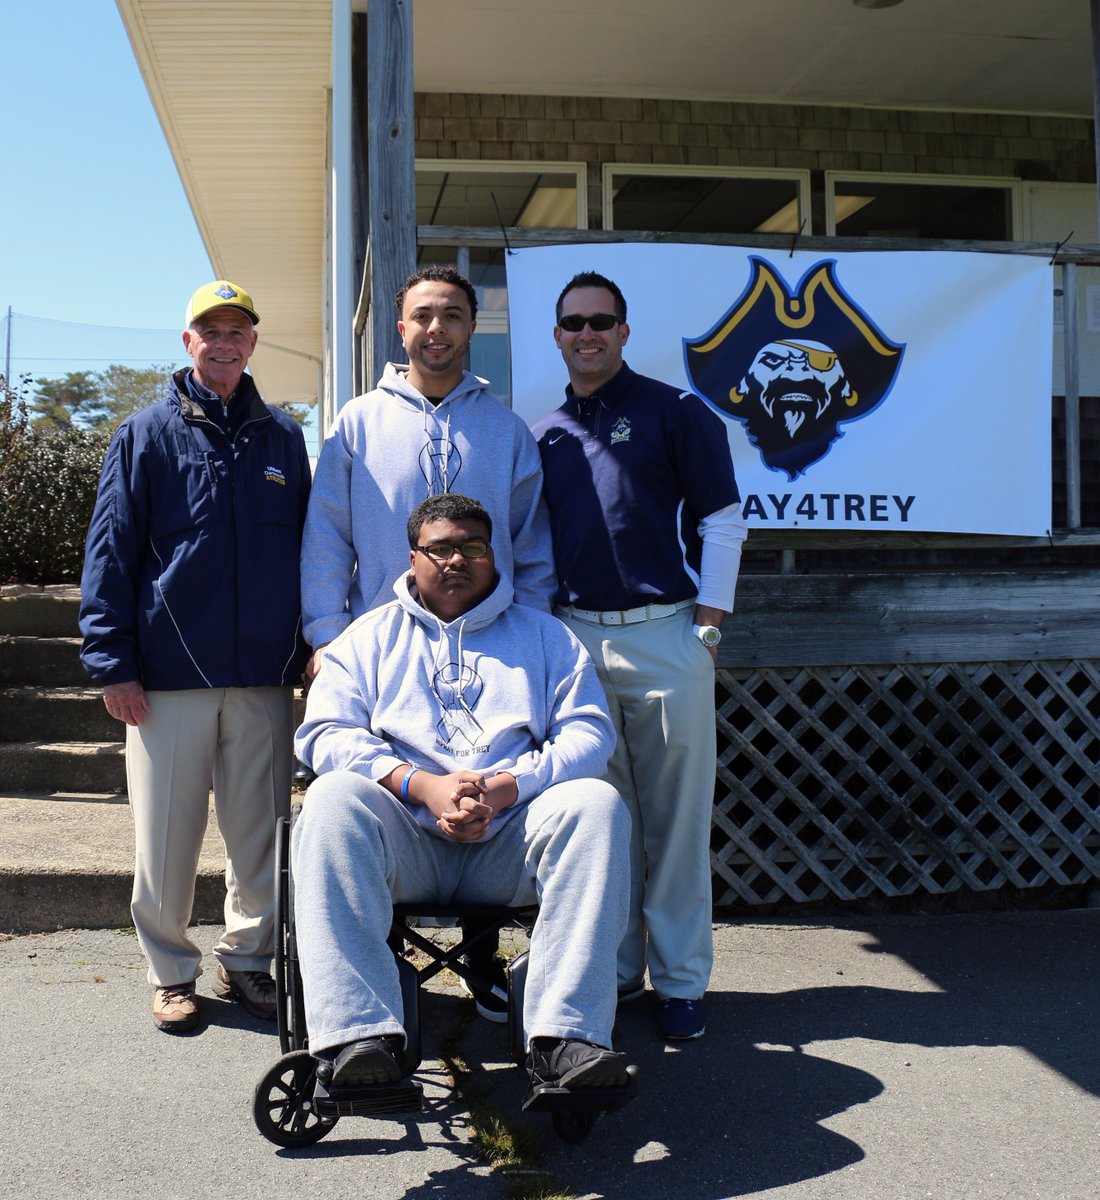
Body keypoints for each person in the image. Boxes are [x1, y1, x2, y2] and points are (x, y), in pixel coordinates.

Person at [292, 493, 633, 1099]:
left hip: (510, 842)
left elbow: (589, 732)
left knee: (596, 803)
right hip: (405, 844)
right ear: (412, 556)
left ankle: (565, 1037)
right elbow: (323, 733)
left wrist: (507, 789)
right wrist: (422, 785)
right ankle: (357, 1035)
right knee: (331, 797)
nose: (457, 560)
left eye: (472, 547)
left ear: (492, 555)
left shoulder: (545, 638)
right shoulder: (366, 640)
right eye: (440, 548)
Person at [300, 263, 556, 1017]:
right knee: (374, 794)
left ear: (472, 328)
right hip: (381, 657)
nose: (436, 328)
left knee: (479, 781)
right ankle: (377, 977)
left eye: (452, 314)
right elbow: (325, 542)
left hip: (491, 646)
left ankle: (483, 964)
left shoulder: (505, 430)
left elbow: (533, 549)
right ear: (401, 328)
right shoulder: (357, 424)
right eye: (422, 315)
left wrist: (528, 641)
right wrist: (325, 636)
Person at [78, 280, 311, 1035]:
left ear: (252, 342)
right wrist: (112, 660)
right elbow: (111, 550)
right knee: (167, 839)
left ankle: (247, 962)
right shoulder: (143, 434)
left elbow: (308, 551)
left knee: (261, 833)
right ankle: (171, 972)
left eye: (237, 330)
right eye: (209, 330)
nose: (224, 342)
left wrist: (308, 649)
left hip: (264, 677)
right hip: (168, 677)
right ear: (188, 342)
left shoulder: (283, 437)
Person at [533, 271, 746, 1042]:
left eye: (601, 322)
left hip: (667, 633)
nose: (586, 334)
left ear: (624, 331)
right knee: (604, 821)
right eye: (573, 323)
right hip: (577, 640)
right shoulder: (547, 432)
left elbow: (722, 517)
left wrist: (708, 625)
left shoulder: (676, 411)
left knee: (676, 821)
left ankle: (682, 981)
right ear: (556, 335)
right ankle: (615, 973)